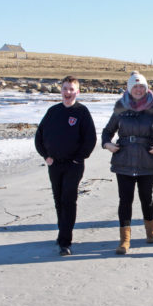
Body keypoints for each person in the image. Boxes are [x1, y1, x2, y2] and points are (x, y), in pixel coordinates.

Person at [101, 71, 153, 255]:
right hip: (123, 160)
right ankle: (125, 240)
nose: (139, 90)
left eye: (142, 86)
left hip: (148, 160)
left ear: (146, 88)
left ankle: (150, 232)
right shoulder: (120, 106)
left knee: (146, 198)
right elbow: (108, 131)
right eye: (135, 86)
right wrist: (107, 143)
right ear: (129, 88)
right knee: (125, 200)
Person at [35, 76, 97, 256]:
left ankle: (65, 241)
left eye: (71, 89)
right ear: (60, 90)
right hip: (54, 164)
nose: (68, 92)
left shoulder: (82, 112)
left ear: (77, 92)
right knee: (58, 199)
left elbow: (90, 139)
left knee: (68, 200)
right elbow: (39, 136)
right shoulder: (53, 111)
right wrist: (45, 156)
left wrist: (79, 158)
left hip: (73, 165)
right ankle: (62, 231)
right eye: (65, 89)